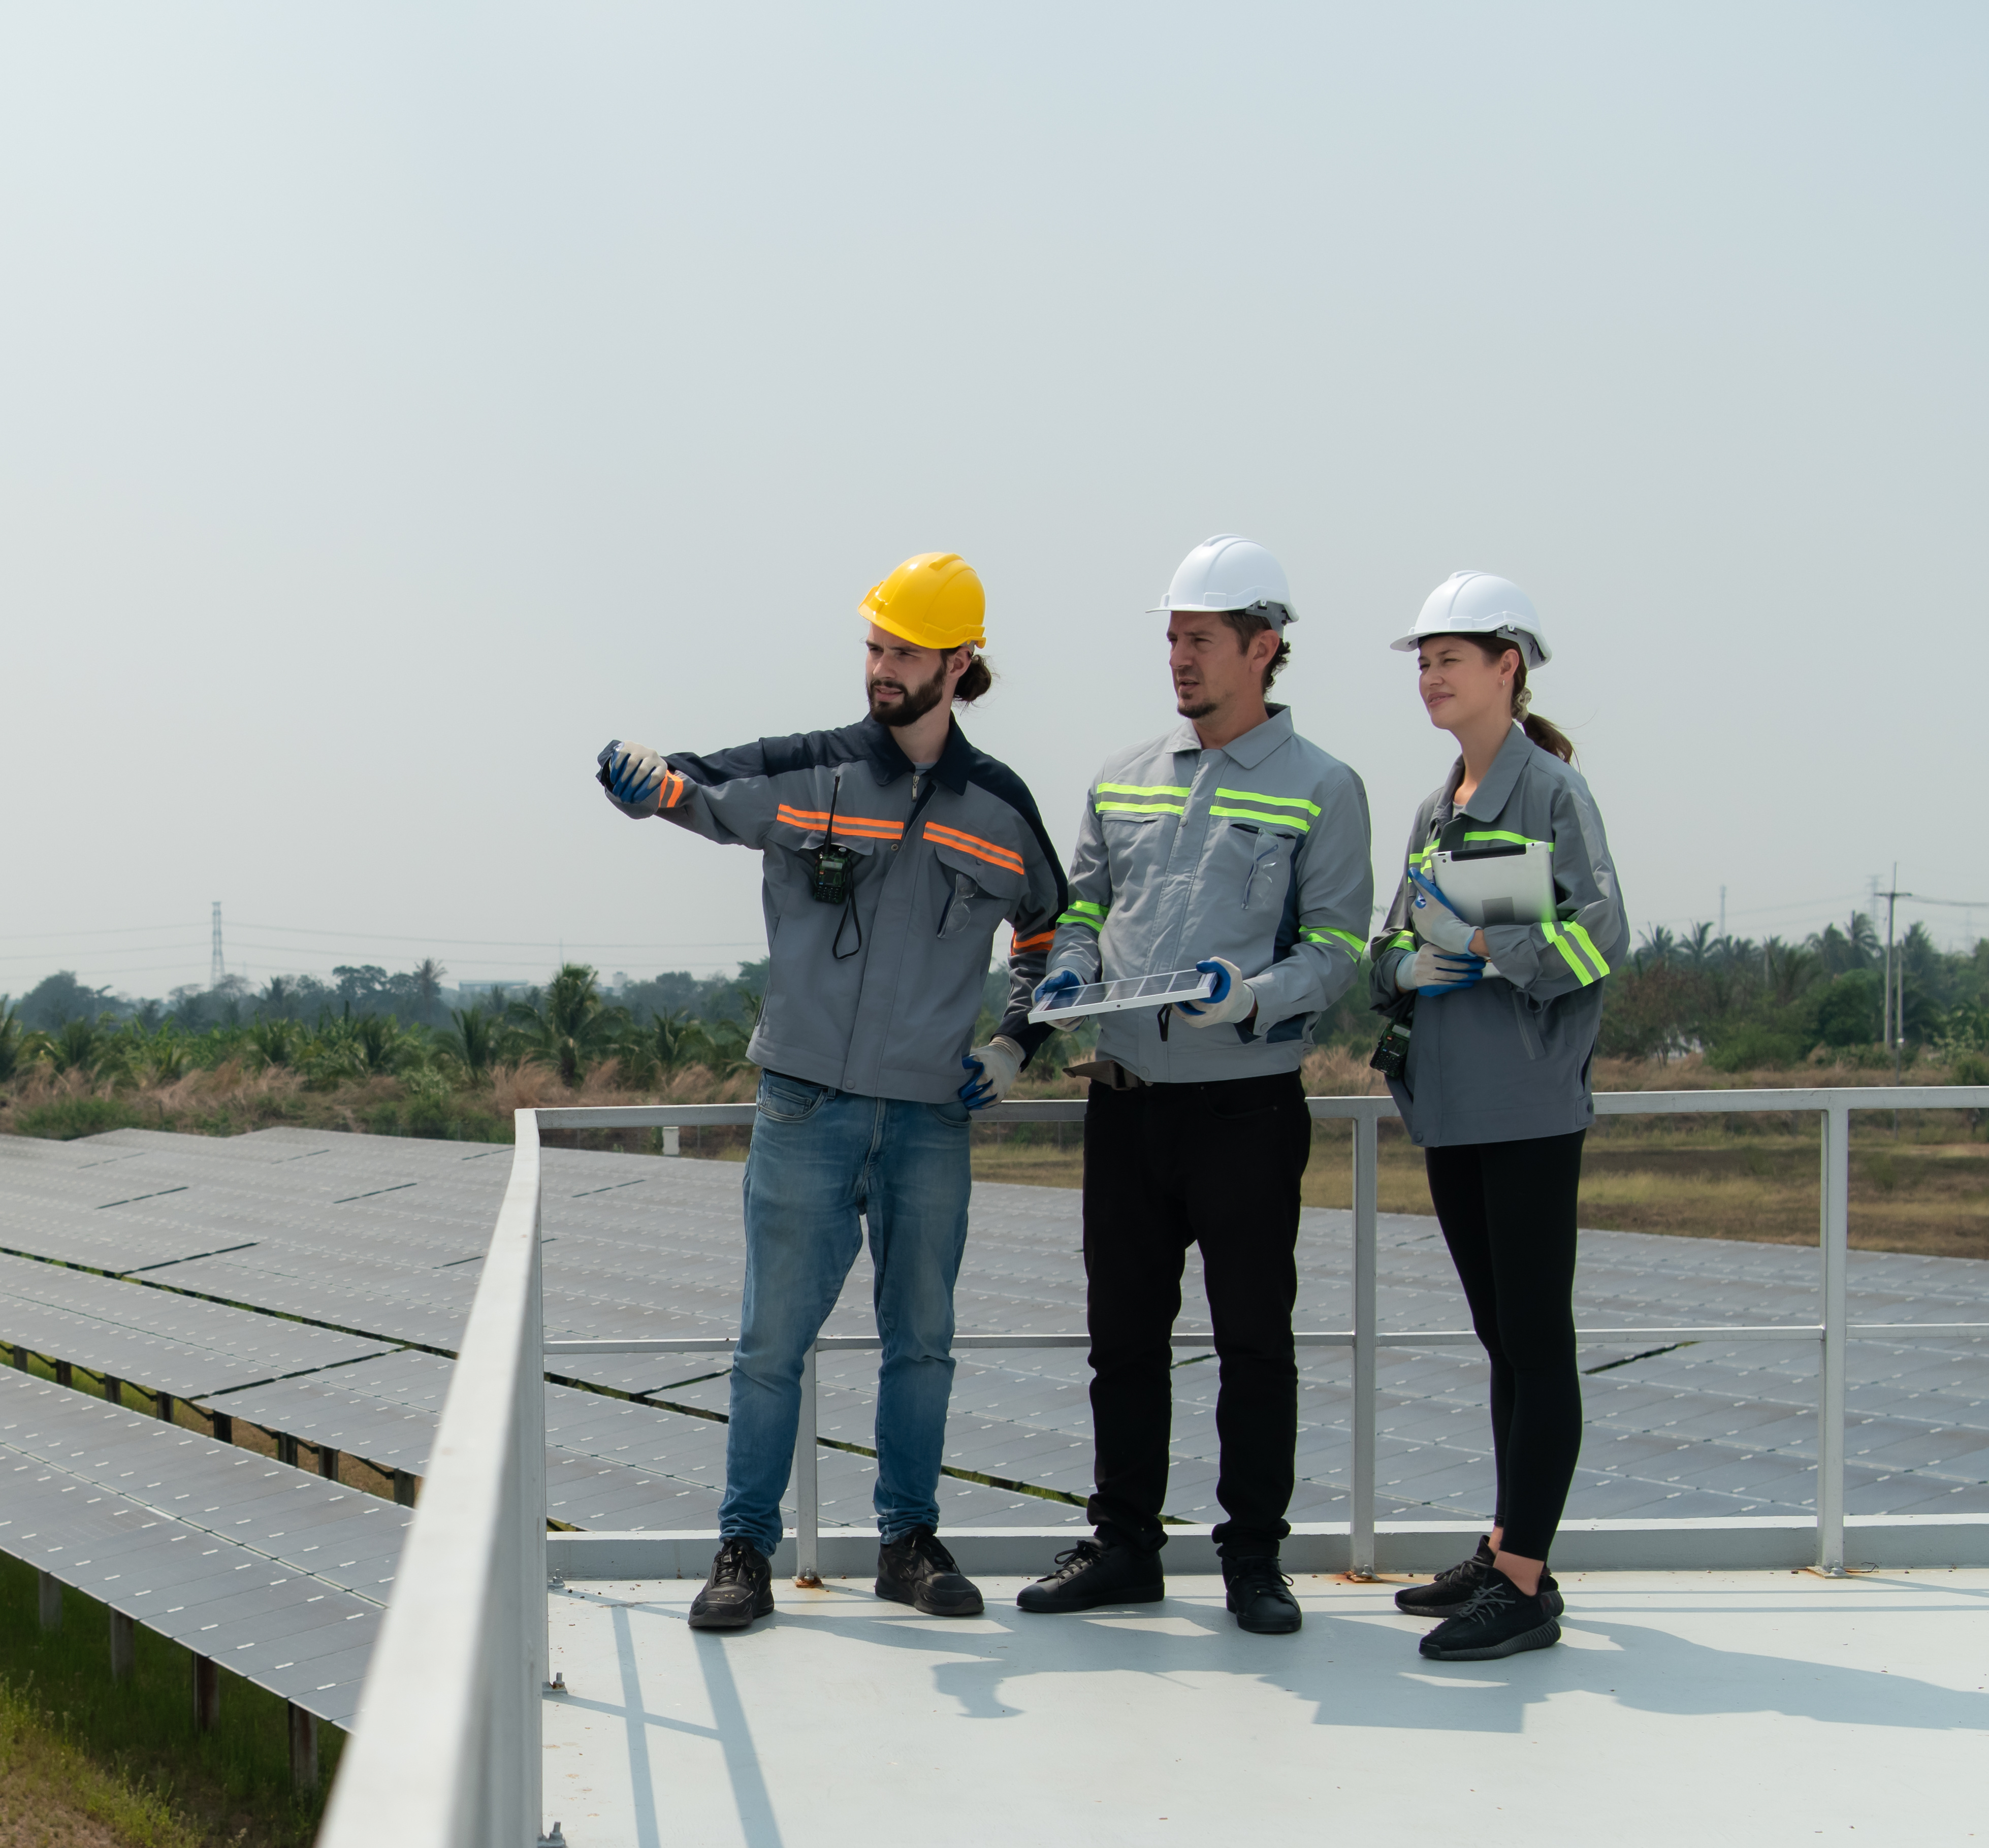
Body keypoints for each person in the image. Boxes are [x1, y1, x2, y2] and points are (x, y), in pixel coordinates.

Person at [594, 552, 1069, 1632]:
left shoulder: (998, 808)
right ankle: (743, 1550)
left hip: (929, 1116)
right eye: (872, 646)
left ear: (957, 663)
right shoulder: (806, 772)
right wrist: (636, 779)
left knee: (922, 1339)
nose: (880, 668)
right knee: (770, 1341)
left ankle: (907, 1542)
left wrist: (1014, 1042)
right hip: (805, 1106)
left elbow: (1053, 929)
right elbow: (688, 788)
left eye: (902, 651)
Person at [1009, 537, 1374, 1637]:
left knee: (1253, 1338)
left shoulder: (1323, 788)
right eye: (1171, 637)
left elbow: (1338, 947)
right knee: (1120, 1334)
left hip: (1245, 1107)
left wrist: (1252, 995)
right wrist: (1068, 964)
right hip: (1123, 1099)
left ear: (1261, 648)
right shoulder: (1119, 775)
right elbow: (1080, 904)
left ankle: (1253, 1558)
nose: (1179, 658)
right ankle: (1123, 1542)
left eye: (1200, 640)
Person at [1361, 570, 1630, 1661]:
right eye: (1421, 660)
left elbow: (1600, 935)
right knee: (1497, 1339)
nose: (1429, 676)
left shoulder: (1550, 793)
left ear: (1505, 668)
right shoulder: (1440, 806)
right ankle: (1509, 1541)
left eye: (1449, 658)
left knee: (1534, 1338)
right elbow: (1384, 945)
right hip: (1452, 1107)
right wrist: (1403, 967)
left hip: (1524, 1106)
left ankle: (1521, 1579)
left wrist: (1484, 949)